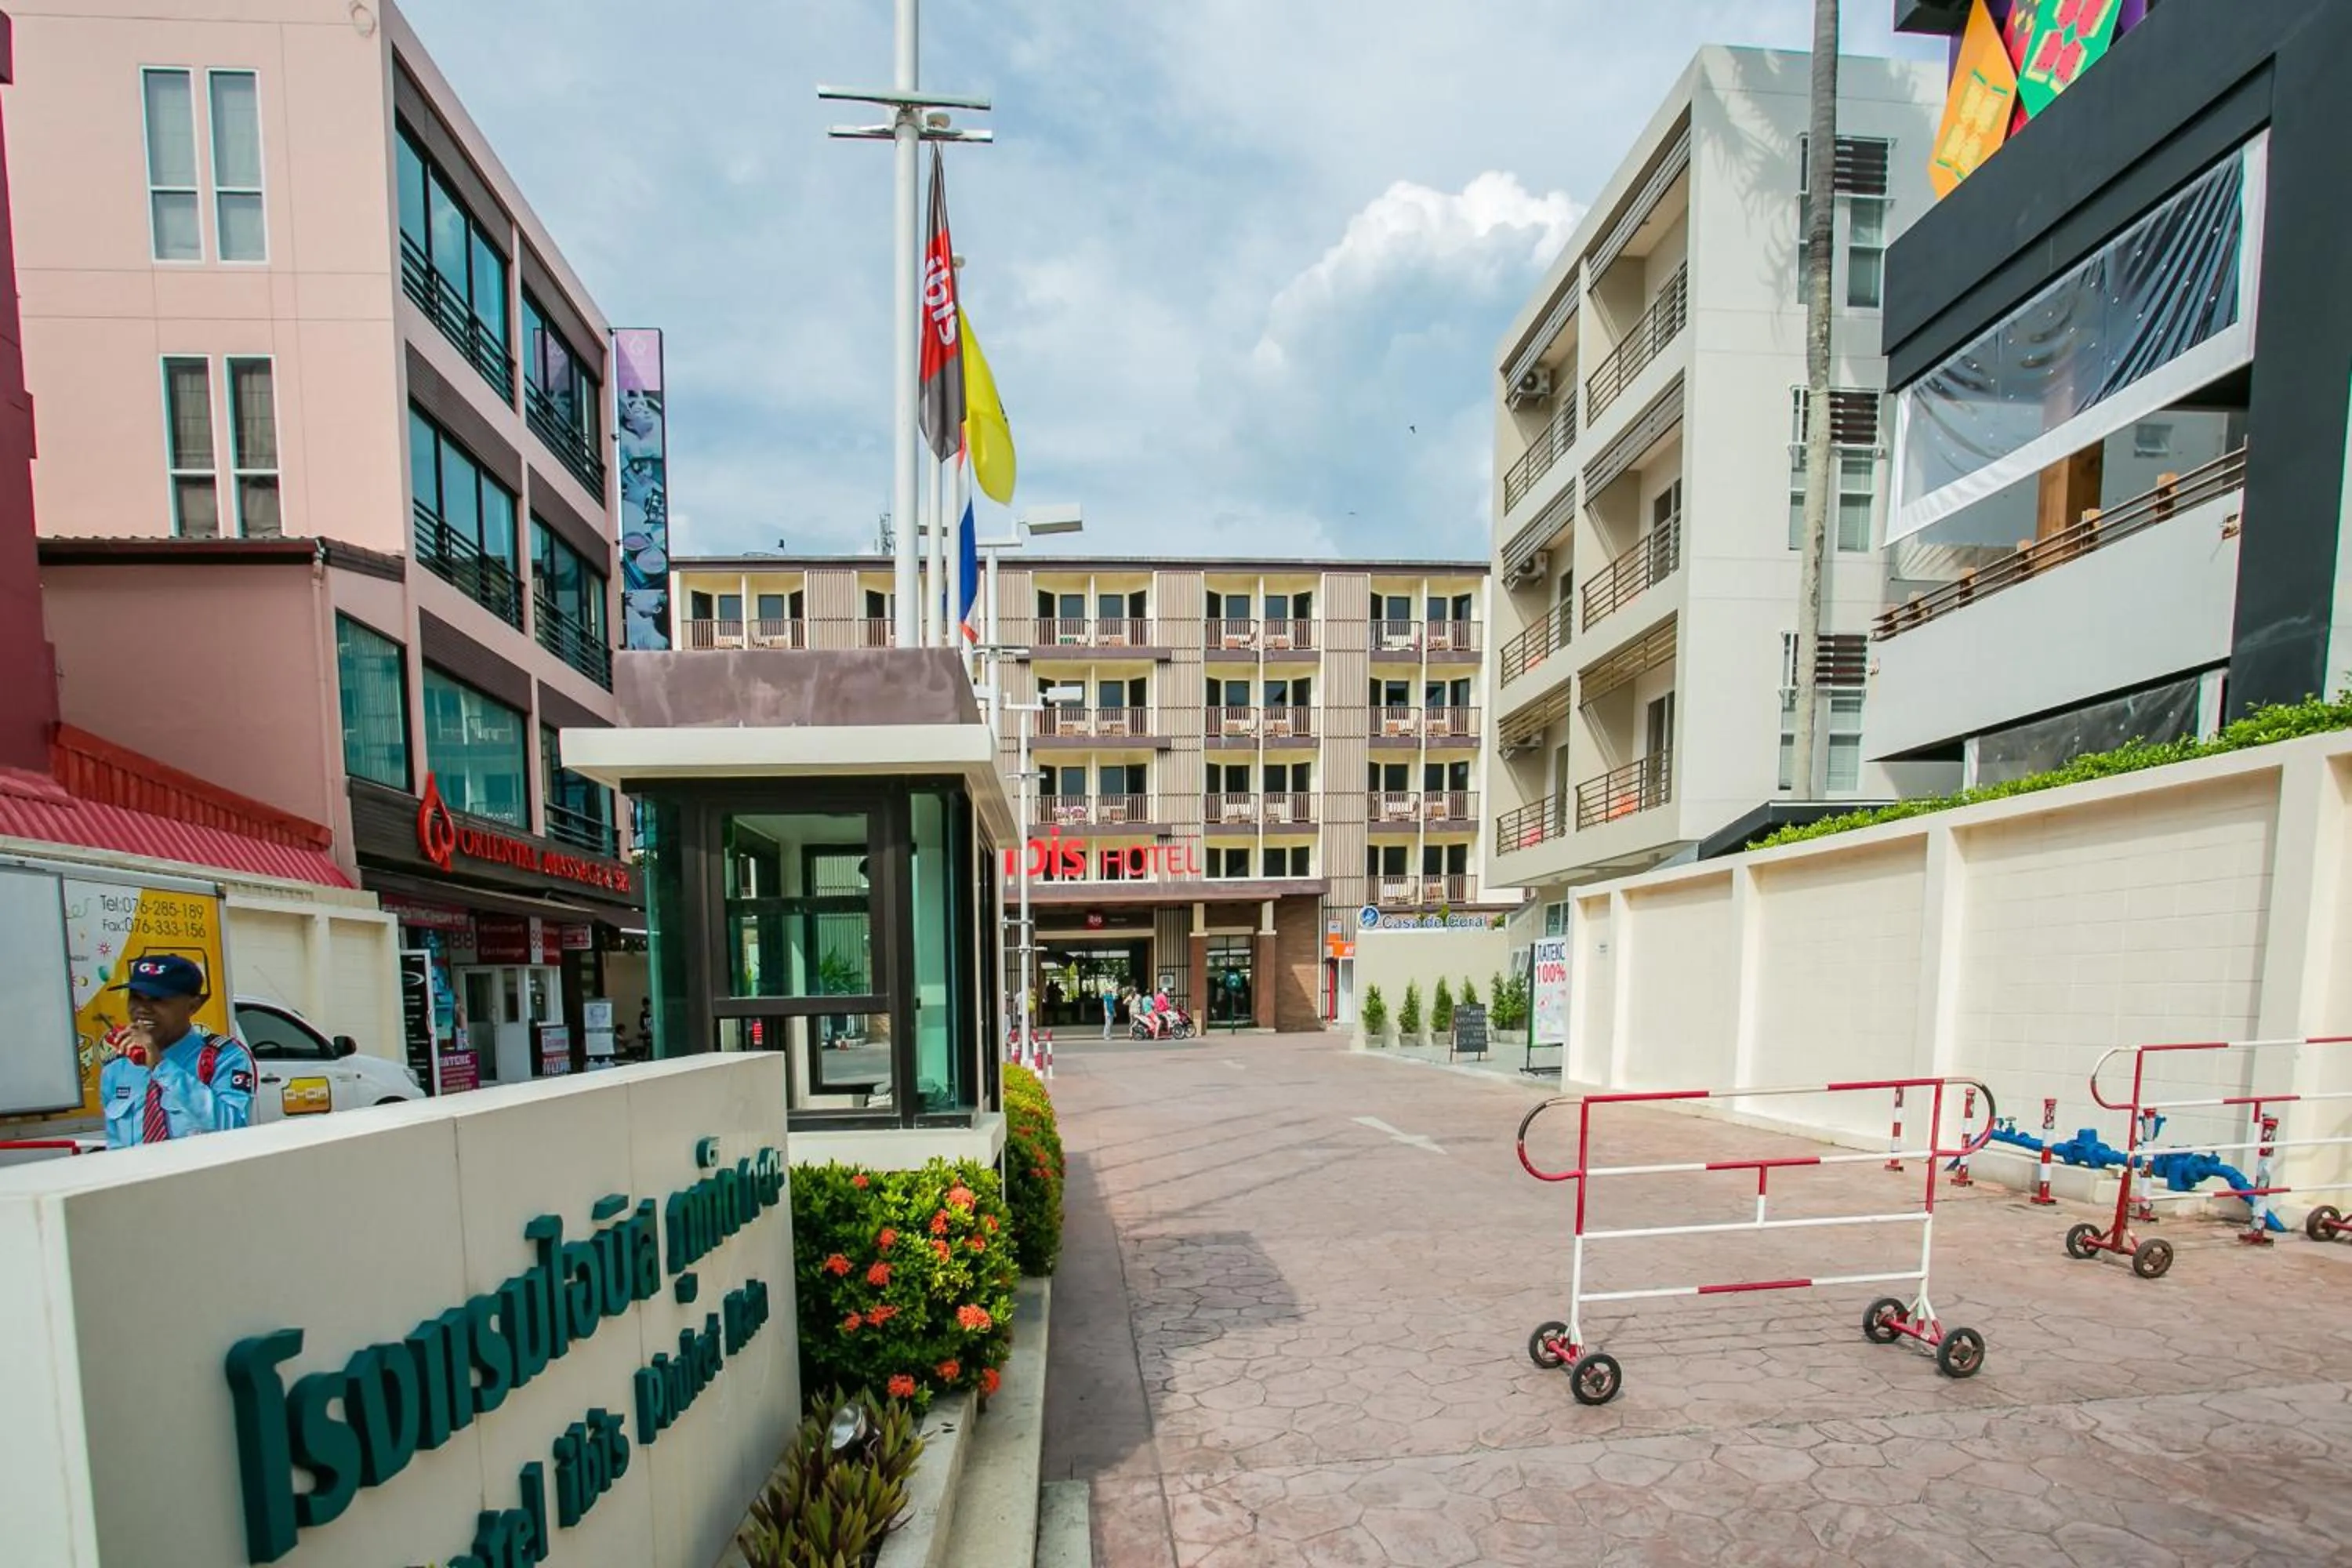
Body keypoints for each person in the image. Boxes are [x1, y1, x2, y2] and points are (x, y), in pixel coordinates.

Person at [99, 956, 256, 1149]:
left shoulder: (223, 1058)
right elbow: (115, 1144)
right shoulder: (117, 1068)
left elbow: (234, 1127)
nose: (142, 1009)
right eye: (135, 997)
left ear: (193, 1006)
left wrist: (161, 1066)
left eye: (157, 999)